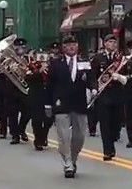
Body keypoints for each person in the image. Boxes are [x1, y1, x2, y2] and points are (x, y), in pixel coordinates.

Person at [47, 35, 92, 177]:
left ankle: (73, 158)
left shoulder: (84, 62)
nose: (72, 47)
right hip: (61, 103)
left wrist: (94, 89)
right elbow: (50, 85)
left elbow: (92, 79)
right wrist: (48, 104)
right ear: (64, 47)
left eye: (74, 44)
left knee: (79, 137)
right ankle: (67, 163)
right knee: (64, 137)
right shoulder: (56, 63)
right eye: (69, 45)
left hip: (79, 103)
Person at [90, 34, 127, 160]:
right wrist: (94, 89)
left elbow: (127, 75)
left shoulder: (120, 59)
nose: (112, 44)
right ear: (105, 44)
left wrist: (121, 78)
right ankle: (108, 150)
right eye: (110, 42)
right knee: (105, 124)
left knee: (116, 123)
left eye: (114, 42)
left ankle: (112, 141)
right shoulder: (98, 58)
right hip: (103, 95)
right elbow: (93, 76)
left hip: (117, 95)